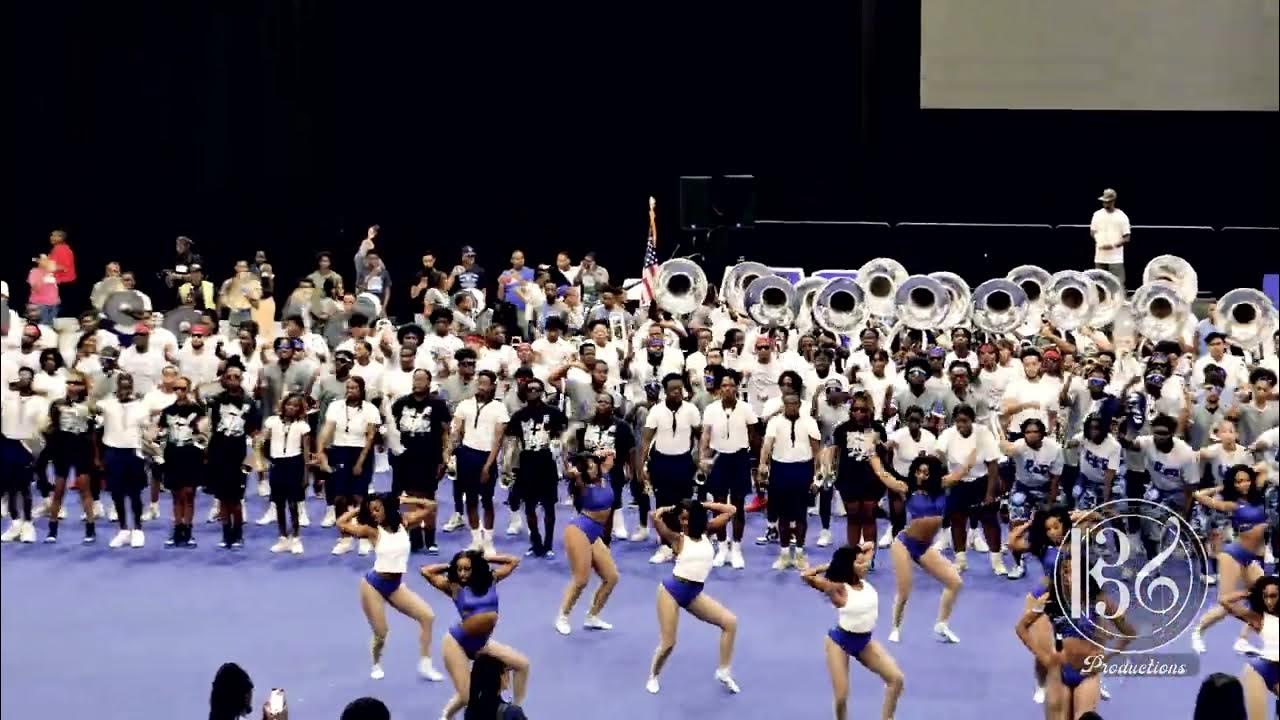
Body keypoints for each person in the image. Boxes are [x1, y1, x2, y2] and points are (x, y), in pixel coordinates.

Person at [337, 492, 444, 681]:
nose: (374, 514)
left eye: (377, 509)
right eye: (371, 511)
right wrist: (357, 510)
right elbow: (341, 524)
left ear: (388, 507)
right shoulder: (372, 531)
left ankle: (425, 665)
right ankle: (376, 664)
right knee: (381, 633)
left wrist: (406, 500)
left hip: (395, 586)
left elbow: (431, 506)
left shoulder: (405, 522)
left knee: (428, 616)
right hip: (373, 586)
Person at [1016, 553, 1135, 720]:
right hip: (1059, 673)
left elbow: (1129, 633)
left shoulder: (1098, 600)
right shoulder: (1050, 600)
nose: (1067, 575)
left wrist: (1105, 658)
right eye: (1064, 571)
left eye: (1073, 571)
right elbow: (1021, 628)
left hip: (1086, 674)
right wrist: (1043, 657)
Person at [645, 498, 740, 695]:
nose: (684, 522)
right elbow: (655, 517)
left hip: (693, 594)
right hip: (670, 592)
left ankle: (723, 671)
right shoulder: (677, 539)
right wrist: (669, 507)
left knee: (730, 622)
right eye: (681, 519)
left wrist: (702, 505)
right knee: (669, 643)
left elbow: (731, 510)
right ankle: (653, 675)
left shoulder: (707, 531)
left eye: (688, 518)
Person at [801, 542, 905, 720]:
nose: (865, 565)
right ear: (849, 567)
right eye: (859, 564)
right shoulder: (838, 589)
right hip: (839, 643)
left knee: (896, 679)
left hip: (864, 642)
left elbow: (870, 546)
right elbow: (806, 575)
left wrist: (859, 551)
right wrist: (830, 565)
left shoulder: (863, 580)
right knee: (841, 697)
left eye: (865, 562)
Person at [421, 549, 528, 720]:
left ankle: (515, 711)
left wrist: (483, 559)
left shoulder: (491, 579)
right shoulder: (454, 587)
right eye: (459, 569)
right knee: (466, 697)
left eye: (467, 569)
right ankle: (446, 716)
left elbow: (513, 561)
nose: (462, 573)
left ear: (475, 568)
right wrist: (450, 565)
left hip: (481, 643)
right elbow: (426, 571)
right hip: (457, 643)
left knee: (522, 665)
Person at [884, 455, 969, 644]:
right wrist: (872, 454)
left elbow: (964, 469)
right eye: (919, 472)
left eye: (926, 473)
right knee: (904, 591)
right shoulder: (907, 489)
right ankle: (895, 627)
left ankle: (941, 624)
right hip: (904, 544)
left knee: (955, 582)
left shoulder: (942, 486)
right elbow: (883, 475)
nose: (921, 476)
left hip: (924, 547)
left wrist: (978, 441)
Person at [1190, 464, 1270, 655]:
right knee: (1226, 604)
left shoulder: (1258, 497)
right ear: (1232, 484)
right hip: (1234, 555)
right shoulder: (1232, 505)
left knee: (1265, 599)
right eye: (1238, 481)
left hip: (1254, 558)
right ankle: (1197, 632)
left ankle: (1242, 640)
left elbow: (1266, 467)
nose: (1244, 484)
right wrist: (1220, 488)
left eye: (1246, 479)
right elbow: (1198, 496)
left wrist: (1253, 467)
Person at [555, 451, 620, 635]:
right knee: (581, 579)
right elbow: (570, 472)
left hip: (595, 533)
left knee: (612, 577)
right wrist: (576, 470)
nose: (591, 468)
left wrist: (601, 453)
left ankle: (592, 616)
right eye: (587, 466)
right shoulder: (581, 484)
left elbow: (611, 455)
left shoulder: (605, 474)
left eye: (592, 464)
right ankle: (562, 616)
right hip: (579, 531)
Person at [315, 376, 380, 556]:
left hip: (361, 452)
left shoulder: (370, 409)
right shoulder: (335, 406)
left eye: (354, 388)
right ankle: (345, 537)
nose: (350, 391)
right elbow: (327, 429)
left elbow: (370, 438)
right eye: (348, 388)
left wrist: (360, 462)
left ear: (361, 390)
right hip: (340, 451)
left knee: (359, 497)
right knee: (339, 498)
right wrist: (320, 452)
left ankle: (366, 536)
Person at [762, 392, 823, 570]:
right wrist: (762, 465)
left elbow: (816, 449)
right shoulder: (775, 422)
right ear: (783, 404)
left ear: (799, 405)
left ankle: (800, 553)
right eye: (788, 404)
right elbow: (767, 445)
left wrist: (818, 474)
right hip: (780, 469)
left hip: (803, 469)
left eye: (795, 403)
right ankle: (783, 554)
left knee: (801, 514)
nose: (792, 407)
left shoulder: (809, 422)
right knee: (783, 514)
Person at [1217, 575, 1279, 719]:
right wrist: (1248, 593)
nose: (1269, 601)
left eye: (1273, 596)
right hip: (1268, 668)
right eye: (1265, 596)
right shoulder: (1258, 619)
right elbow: (1224, 600)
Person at [0, 367, 50, 544]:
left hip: (27, 446)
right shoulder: (6, 398)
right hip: (7, 444)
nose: (23, 380)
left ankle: (28, 524)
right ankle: (15, 523)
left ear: (32, 381)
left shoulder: (40, 402)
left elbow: (43, 425)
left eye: (27, 377)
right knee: (10, 487)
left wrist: (36, 447)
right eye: (20, 377)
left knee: (24, 487)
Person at [260, 393, 310, 553]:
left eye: (296, 406)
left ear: (300, 409)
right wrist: (261, 455)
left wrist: (306, 473)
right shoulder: (272, 421)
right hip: (277, 464)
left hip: (294, 464)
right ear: (283, 405)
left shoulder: (303, 426)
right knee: (278, 503)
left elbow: (306, 452)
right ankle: (282, 537)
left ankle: (295, 537)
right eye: (289, 404)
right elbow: (262, 441)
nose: (292, 408)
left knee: (293, 503)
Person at [464, 654, 528, 720]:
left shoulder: (470, 712)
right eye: (506, 671)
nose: (508, 676)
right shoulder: (512, 712)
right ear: (500, 677)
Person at [1090, 188, 1130, 287]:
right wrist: (1099, 241)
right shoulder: (1097, 215)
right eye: (1104, 202)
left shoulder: (1121, 216)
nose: (1105, 204)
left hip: (1115, 258)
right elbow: (1092, 232)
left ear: (1113, 201)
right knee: (1099, 285)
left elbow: (1127, 237)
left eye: (1108, 202)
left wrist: (1112, 245)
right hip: (1100, 256)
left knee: (1117, 285)